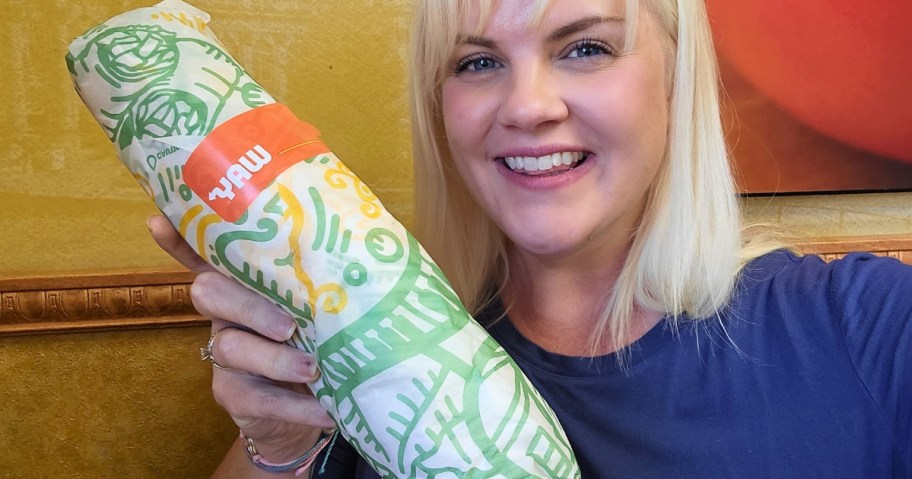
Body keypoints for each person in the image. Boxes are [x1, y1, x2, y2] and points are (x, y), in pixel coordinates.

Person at [149, 0, 912, 477]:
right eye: (478, 62)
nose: (528, 106)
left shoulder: (869, 326)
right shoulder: (367, 359)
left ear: (677, 79)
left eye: (585, 48)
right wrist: (279, 446)